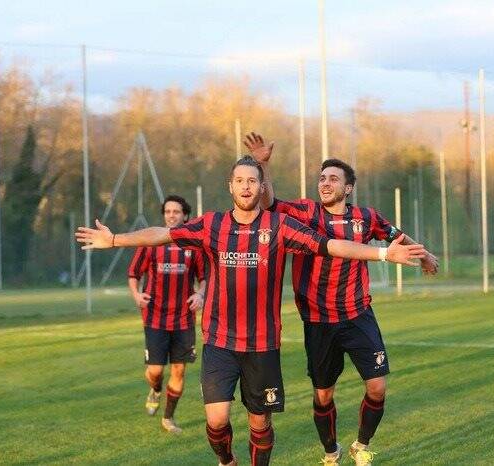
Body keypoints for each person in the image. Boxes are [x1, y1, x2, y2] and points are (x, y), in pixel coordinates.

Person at [76, 156, 426, 466]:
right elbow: (164, 234)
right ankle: (227, 461)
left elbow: (331, 245)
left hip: (262, 344)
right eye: (240, 180)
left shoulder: (280, 226)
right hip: (220, 341)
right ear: (231, 186)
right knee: (216, 420)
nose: (246, 186)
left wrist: (383, 254)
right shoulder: (212, 224)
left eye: (253, 180)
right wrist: (116, 239)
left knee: (260, 423)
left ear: (262, 187)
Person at [244, 132, 438, 466]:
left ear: (347, 188)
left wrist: (425, 253)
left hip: (358, 314)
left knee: (377, 387)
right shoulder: (306, 213)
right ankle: (330, 452)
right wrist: (262, 165)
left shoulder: (367, 217)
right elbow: (270, 205)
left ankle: (361, 445)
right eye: (322, 178)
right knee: (323, 395)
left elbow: (396, 236)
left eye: (333, 178)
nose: (325, 183)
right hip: (319, 321)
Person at [127, 195, 206, 434]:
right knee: (155, 371)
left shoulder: (193, 244)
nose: (171, 215)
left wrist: (201, 294)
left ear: (185, 216)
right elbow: (133, 274)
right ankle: (156, 390)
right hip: (155, 318)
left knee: (179, 370)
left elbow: (204, 277)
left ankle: (168, 418)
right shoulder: (151, 242)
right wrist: (136, 295)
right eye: (168, 211)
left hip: (183, 318)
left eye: (176, 211)